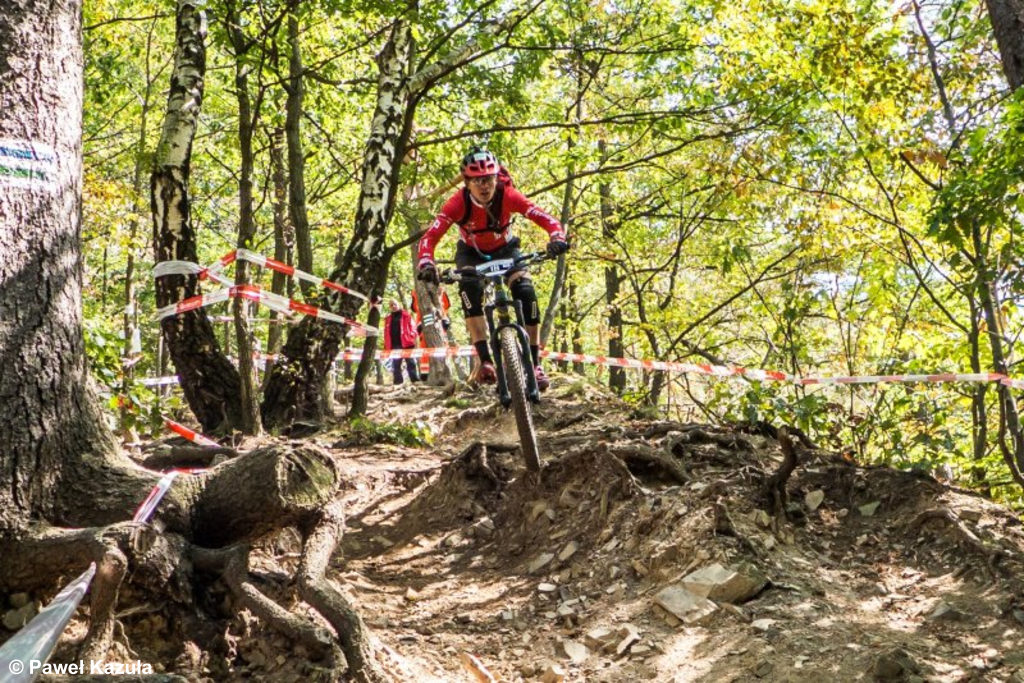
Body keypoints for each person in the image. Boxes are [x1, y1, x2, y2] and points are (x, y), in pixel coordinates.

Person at [417, 147, 569, 391]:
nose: (484, 186)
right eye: (477, 181)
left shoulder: (508, 195)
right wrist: (426, 261)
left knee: (526, 292)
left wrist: (556, 237)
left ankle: (535, 363)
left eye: (488, 179)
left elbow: (543, 217)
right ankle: (486, 361)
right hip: (470, 253)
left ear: (497, 177)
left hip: (506, 249)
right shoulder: (457, 203)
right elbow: (430, 236)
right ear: (467, 183)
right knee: (469, 291)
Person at [383, 298, 420, 385]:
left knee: (411, 363)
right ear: (390, 307)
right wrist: (387, 344)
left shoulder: (406, 315)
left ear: (398, 304)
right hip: (395, 345)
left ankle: (415, 381)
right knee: (396, 365)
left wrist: (410, 337)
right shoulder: (388, 318)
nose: (393, 306)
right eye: (391, 305)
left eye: (395, 304)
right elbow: (386, 332)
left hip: (407, 343)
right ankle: (398, 383)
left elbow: (414, 329)